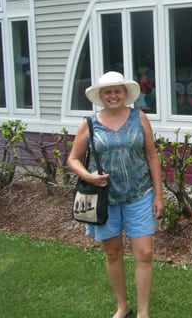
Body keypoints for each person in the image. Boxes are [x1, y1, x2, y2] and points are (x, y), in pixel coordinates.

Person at [68, 71, 164, 318]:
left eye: (117, 91)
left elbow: (152, 156)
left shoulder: (139, 117)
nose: (113, 96)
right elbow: (73, 159)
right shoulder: (89, 123)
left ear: (125, 94)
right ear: (101, 96)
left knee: (144, 253)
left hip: (139, 194)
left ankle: (143, 313)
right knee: (113, 253)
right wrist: (88, 176)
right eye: (108, 92)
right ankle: (123, 306)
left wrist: (158, 195)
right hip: (105, 200)